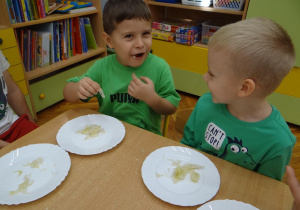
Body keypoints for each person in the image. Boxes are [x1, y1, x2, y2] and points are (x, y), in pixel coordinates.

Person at [180, 17, 296, 181]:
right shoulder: (205, 104)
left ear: (244, 88)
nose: (204, 77)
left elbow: (263, 190)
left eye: (212, 74)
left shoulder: (279, 142)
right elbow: (187, 147)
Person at [63, 0, 180, 135]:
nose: (140, 44)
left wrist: (152, 98)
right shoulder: (102, 67)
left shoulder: (160, 67)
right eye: (129, 36)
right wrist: (78, 88)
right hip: (106, 134)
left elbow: (171, 108)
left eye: (146, 33)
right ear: (109, 41)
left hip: (146, 137)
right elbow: (67, 93)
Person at [0, 50, 38, 148]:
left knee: (46, 141)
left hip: (13, 125)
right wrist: (11, 147)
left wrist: (35, 129)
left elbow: (13, 91)